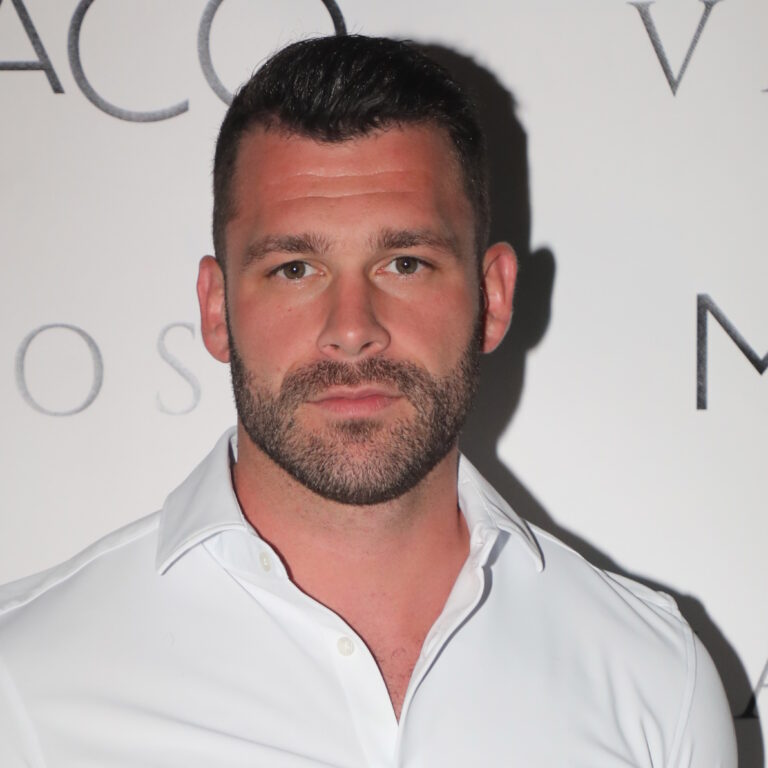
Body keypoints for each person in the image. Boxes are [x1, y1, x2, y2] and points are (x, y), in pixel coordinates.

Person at [0, 35, 736, 766]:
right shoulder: (26, 683)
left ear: (493, 295)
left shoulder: (654, 681)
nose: (352, 329)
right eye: (295, 268)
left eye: (404, 263)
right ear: (217, 308)